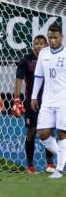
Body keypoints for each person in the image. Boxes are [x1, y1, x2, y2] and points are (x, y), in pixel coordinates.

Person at [13, 35, 55, 173]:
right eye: (36, 43)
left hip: (49, 101)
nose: (38, 46)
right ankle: (30, 167)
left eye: (41, 43)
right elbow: (19, 79)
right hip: (31, 102)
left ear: (46, 45)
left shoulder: (52, 59)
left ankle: (50, 165)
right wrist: (16, 99)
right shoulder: (26, 60)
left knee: (48, 131)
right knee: (31, 132)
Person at [31, 24, 66, 179]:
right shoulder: (44, 53)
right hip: (46, 100)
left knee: (62, 133)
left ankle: (59, 169)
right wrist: (33, 96)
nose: (52, 40)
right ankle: (62, 155)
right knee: (42, 134)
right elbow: (39, 76)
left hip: (63, 99)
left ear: (61, 37)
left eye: (55, 37)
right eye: (50, 37)